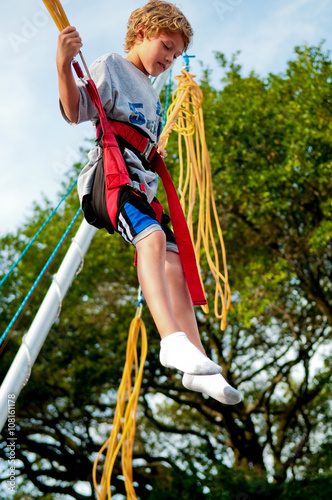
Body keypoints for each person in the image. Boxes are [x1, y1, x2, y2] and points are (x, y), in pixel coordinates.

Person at [56, 0, 241, 405]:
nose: (170, 59)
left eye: (176, 54)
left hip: (140, 182)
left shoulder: (154, 98)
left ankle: (197, 360)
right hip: (110, 179)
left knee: (175, 261)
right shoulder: (111, 66)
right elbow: (75, 111)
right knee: (153, 240)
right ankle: (170, 340)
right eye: (166, 47)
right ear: (141, 33)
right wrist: (62, 63)